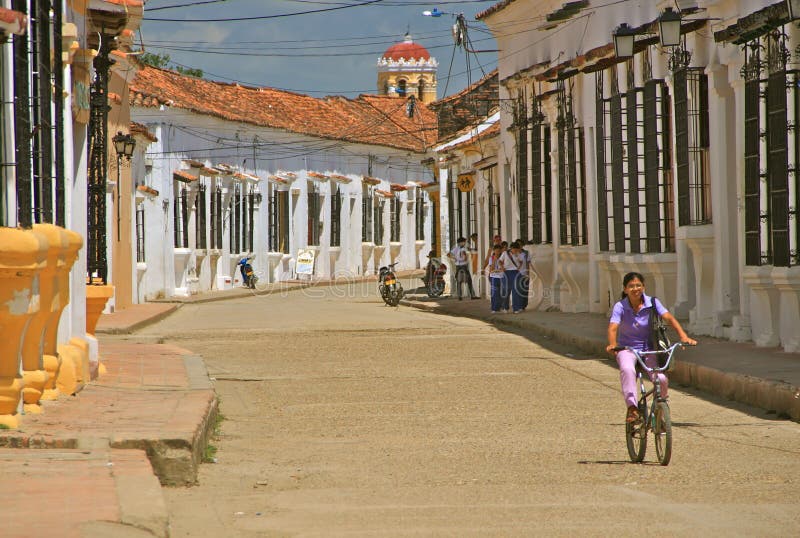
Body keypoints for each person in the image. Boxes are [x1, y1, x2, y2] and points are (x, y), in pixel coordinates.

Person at [605, 272, 697, 423]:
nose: (635, 289)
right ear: (625, 289)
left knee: (661, 379)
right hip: (627, 349)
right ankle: (632, 408)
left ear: (643, 287)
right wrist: (613, 344)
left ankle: (660, 410)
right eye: (631, 286)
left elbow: (669, 318)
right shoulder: (620, 306)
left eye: (638, 285)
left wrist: (683, 337)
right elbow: (613, 327)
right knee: (627, 370)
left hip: (649, 348)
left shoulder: (652, 303)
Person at [483, 244, 507, 313]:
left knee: (502, 293)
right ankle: (494, 308)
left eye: (499, 251)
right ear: (494, 251)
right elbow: (491, 269)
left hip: (501, 277)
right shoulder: (491, 258)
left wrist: (499, 262)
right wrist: (494, 260)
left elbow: (503, 268)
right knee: (494, 293)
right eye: (496, 251)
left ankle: (502, 307)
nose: (497, 252)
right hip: (494, 277)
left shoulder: (503, 257)